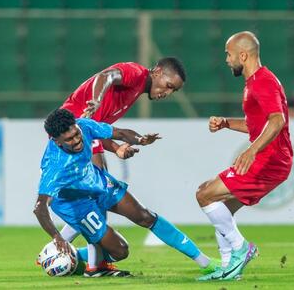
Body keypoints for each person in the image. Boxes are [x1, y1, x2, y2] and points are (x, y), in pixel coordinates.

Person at [57, 57, 219, 273]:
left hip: (83, 134)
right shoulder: (136, 73)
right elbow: (106, 76)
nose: (166, 93)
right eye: (168, 86)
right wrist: (95, 99)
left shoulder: (133, 93)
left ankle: (77, 258)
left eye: (173, 91)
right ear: (158, 71)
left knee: (101, 201)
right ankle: (86, 262)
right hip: (73, 133)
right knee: (101, 195)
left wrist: (117, 149)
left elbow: (100, 131)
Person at [34, 109, 215, 277]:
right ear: (57, 141)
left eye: (76, 134)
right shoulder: (54, 166)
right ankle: (69, 255)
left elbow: (120, 133)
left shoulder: (84, 125)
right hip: (75, 204)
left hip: (96, 183)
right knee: (120, 251)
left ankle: (205, 262)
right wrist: (57, 237)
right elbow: (40, 207)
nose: (77, 141)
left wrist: (140, 139)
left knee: (145, 216)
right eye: (69, 140)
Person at [195, 31, 293, 281]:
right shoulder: (255, 82)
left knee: (205, 194)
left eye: (228, 54)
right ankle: (229, 267)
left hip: (269, 160)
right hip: (271, 159)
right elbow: (258, 125)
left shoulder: (262, 81)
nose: (226, 60)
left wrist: (252, 150)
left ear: (243, 54)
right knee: (222, 207)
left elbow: (277, 120)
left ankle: (241, 248)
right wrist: (227, 123)